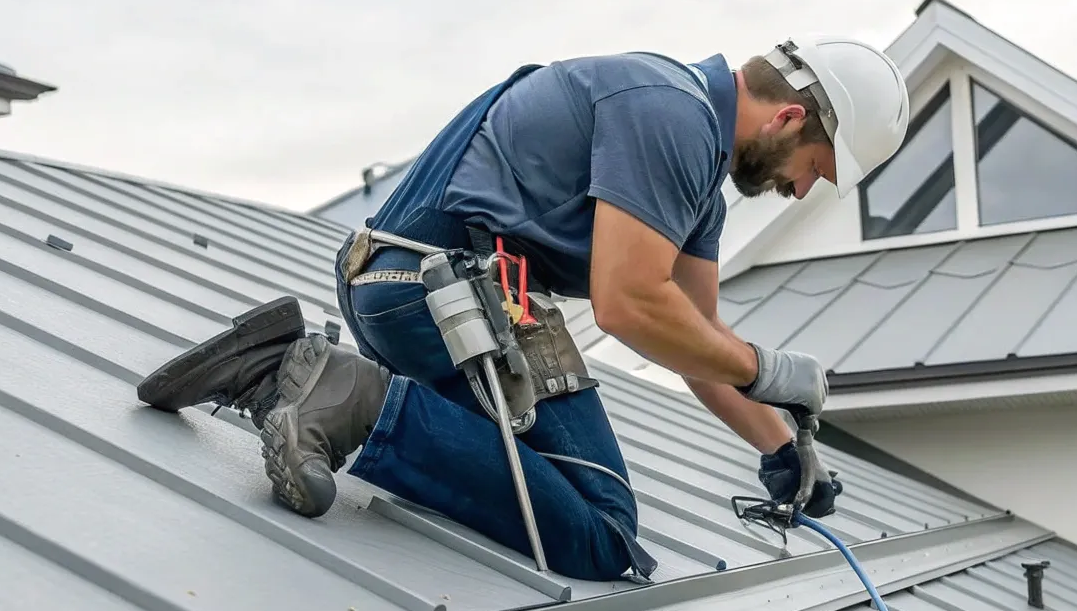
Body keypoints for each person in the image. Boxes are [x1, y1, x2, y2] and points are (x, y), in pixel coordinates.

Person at [135, 36, 911, 583]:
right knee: (601, 531)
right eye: (816, 169)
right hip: (441, 293)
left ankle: (291, 377)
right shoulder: (669, 114)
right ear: (789, 120)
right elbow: (629, 305)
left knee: (574, 505)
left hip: (414, 287)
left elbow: (694, 340)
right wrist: (774, 370)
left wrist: (782, 448)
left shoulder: (695, 166)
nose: (803, 190)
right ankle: (344, 398)